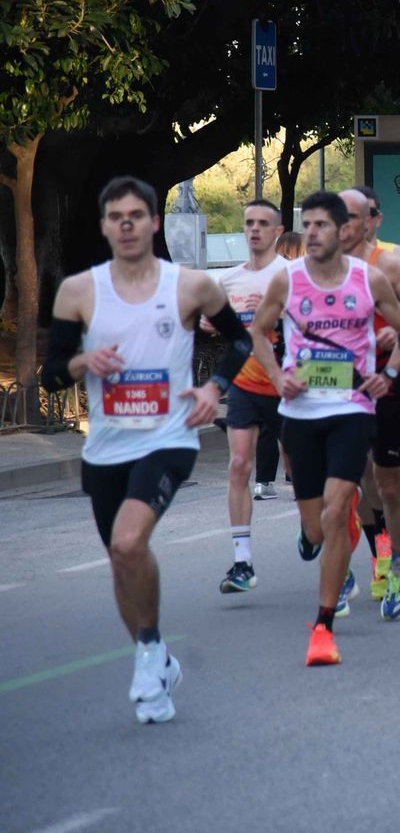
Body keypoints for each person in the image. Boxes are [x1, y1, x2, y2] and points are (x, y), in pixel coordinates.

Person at [44, 176, 252, 722]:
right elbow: (50, 377)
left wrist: (215, 388)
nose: (128, 224)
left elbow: (241, 340)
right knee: (119, 557)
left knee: (131, 541)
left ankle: (148, 650)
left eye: (137, 214)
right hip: (107, 446)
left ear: (155, 222)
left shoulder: (190, 286)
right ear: (105, 226)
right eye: (117, 217)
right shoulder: (79, 292)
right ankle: (156, 659)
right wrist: (82, 363)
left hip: (169, 437)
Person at [246, 191, 400, 666]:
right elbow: (257, 332)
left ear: (343, 231)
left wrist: (390, 370)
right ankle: (321, 544)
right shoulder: (287, 280)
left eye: (321, 225)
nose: (312, 232)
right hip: (299, 414)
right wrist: (278, 377)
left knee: (338, 514)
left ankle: (323, 626)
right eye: (307, 224)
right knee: (317, 528)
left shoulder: (369, 278)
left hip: (352, 410)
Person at [340, 189, 400, 610]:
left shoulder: (388, 264)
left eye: (356, 216)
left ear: (372, 220)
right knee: (352, 473)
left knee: (387, 483)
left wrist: (399, 334)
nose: (346, 224)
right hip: (337, 381)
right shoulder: (315, 268)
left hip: (385, 380)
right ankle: (376, 551)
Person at [213, 199, 287, 595]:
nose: (254, 229)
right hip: (244, 386)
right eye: (249, 223)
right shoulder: (228, 282)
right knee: (239, 465)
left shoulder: (291, 275)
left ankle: (326, 544)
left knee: (307, 475)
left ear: (278, 230)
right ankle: (242, 562)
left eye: (263, 223)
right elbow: (216, 326)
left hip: (287, 387)